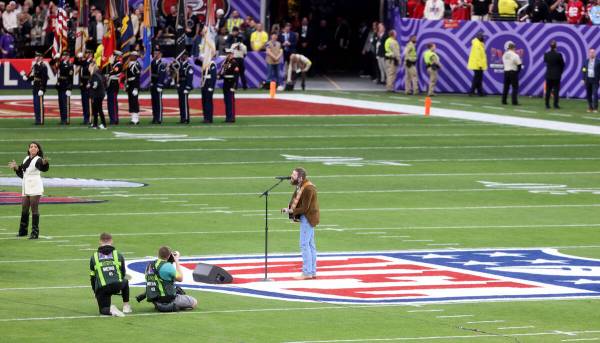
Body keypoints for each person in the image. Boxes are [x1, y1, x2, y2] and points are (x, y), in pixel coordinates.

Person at [281, 167, 320, 280]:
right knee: (310, 245)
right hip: (308, 217)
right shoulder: (302, 186)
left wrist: (291, 211)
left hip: (308, 218)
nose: (291, 177)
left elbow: (305, 208)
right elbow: (296, 202)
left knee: (304, 244)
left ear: (300, 178)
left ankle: (307, 272)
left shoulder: (308, 189)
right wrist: (289, 208)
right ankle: (312, 271)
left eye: (293, 175)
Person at [8, 142, 49, 239]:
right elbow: (22, 171)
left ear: (38, 150)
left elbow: (42, 167)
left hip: (35, 185)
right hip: (26, 185)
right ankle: (23, 231)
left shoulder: (38, 159)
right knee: (24, 208)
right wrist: (16, 167)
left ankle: (35, 233)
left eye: (35, 147)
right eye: (31, 147)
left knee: (34, 209)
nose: (33, 148)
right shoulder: (26, 158)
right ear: (29, 149)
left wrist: (45, 164)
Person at [143, 246, 197, 312]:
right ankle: (171, 306)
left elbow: (155, 278)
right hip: (167, 299)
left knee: (178, 290)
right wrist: (176, 260)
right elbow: (180, 278)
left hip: (154, 298)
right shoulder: (168, 266)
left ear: (158, 254)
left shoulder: (150, 265)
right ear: (169, 256)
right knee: (194, 302)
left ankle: (161, 305)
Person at [89, 232, 131, 317]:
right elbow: (123, 273)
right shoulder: (118, 255)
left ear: (100, 241)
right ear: (111, 241)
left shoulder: (94, 257)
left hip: (103, 288)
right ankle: (126, 306)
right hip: (117, 285)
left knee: (103, 310)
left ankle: (111, 309)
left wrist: (95, 292)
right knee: (125, 281)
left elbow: (93, 278)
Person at [20, 52, 48, 125]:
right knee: (36, 104)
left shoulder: (44, 66)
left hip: (40, 87)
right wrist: (27, 77)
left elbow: (44, 79)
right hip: (35, 87)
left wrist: (42, 89)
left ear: (41, 57)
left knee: (39, 104)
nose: (36, 58)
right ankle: (37, 119)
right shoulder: (35, 65)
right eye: (35, 56)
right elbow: (33, 76)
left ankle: (40, 120)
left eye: (37, 56)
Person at [219, 49, 239, 123]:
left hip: (231, 83)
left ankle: (231, 117)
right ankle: (228, 117)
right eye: (226, 54)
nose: (227, 55)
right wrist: (219, 76)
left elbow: (236, 75)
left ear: (232, 54)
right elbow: (223, 72)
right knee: (226, 101)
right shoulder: (225, 62)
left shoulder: (234, 63)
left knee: (230, 101)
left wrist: (234, 86)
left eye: (229, 54)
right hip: (226, 83)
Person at [544, 40, 565, 109]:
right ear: (556, 46)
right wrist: (560, 72)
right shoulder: (559, 55)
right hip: (556, 75)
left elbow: (546, 62)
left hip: (549, 75)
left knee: (548, 90)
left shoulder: (546, 54)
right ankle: (555, 105)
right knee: (556, 91)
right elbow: (562, 65)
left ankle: (547, 104)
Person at [74, 49, 94, 125]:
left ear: (90, 54)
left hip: (88, 84)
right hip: (83, 84)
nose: (86, 54)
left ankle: (89, 118)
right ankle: (85, 118)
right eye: (85, 53)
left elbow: (92, 74)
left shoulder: (92, 62)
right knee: (84, 102)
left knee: (89, 102)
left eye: (88, 53)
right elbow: (76, 72)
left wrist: (90, 82)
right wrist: (78, 58)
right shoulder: (83, 62)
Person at [56, 51, 73, 125]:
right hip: (60, 85)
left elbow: (71, 78)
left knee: (65, 103)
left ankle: (66, 119)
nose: (64, 56)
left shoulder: (70, 65)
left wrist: (69, 88)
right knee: (60, 103)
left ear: (68, 57)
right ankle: (62, 118)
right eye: (63, 55)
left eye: (66, 55)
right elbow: (52, 64)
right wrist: (56, 58)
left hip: (66, 85)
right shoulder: (60, 63)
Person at [105, 50, 123, 125]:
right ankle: (111, 118)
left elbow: (114, 72)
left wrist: (111, 64)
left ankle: (115, 119)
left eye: (114, 56)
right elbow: (108, 72)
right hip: (110, 84)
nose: (113, 57)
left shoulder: (119, 64)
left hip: (114, 84)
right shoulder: (113, 64)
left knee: (113, 102)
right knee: (110, 102)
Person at [467, 31, 487, 97]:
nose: (484, 38)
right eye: (482, 36)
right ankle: (471, 92)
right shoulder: (477, 44)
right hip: (477, 65)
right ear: (479, 36)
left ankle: (480, 92)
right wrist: (480, 65)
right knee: (477, 79)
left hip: (477, 64)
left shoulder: (479, 43)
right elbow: (477, 56)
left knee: (478, 79)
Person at [150, 47, 167, 124]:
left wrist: (160, 85)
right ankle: (154, 117)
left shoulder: (162, 64)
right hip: (153, 84)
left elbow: (162, 75)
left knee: (158, 102)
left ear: (160, 54)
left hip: (158, 84)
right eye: (154, 53)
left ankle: (159, 118)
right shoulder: (153, 62)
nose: (155, 54)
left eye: (157, 53)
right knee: (154, 102)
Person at [88, 61, 107, 129]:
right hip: (98, 94)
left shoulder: (95, 75)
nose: (89, 68)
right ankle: (95, 124)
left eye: (90, 66)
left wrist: (90, 85)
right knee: (95, 110)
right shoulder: (95, 74)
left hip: (98, 94)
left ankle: (104, 124)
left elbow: (95, 85)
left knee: (99, 109)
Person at [177, 51, 194, 124]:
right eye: (181, 55)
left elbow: (190, 77)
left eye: (184, 55)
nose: (182, 57)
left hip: (185, 84)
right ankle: (182, 118)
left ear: (187, 57)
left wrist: (188, 87)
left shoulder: (188, 66)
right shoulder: (180, 65)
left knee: (184, 103)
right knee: (181, 102)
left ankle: (186, 118)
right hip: (180, 84)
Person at [125, 51, 141, 125]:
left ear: (136, 57)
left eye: (132, 55)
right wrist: (127, 85)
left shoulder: (137, 65)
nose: (130, 57)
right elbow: (127, 76)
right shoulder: (129, 64)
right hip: (130, 84)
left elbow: (137, 77)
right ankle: (132, 117)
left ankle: (136, 118)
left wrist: (136, 88)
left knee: (134, 101)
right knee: (131, 100)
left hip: (134, 85)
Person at [201, 52, 217, 123]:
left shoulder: (212, 64)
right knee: (204, 101)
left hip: (209, 84)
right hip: (204, 84)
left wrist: (211, 86)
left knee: (208, 101)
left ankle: (209, 118)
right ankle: (205, 117)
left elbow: (213, 77)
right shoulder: (205, 64)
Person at [582, 48, 600, 113]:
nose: (592, 53)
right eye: (591, 52)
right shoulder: (586, 61)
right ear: (589, 53)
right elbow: (583, 70)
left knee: (595, 93)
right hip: (588, 80)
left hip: (595, 80)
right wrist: (583, 79)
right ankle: (590, 107)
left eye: (593, 52)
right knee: (588, 94)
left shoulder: (598, 61)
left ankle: (595, 108)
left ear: (595, 53)